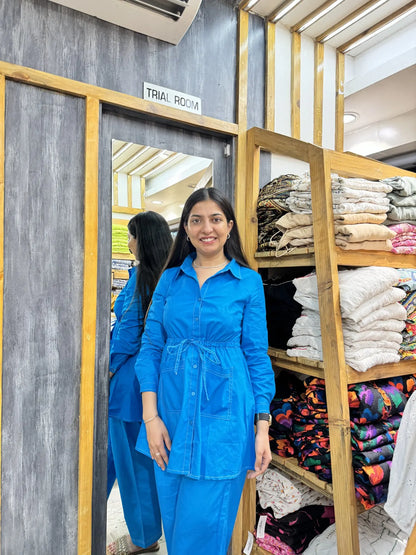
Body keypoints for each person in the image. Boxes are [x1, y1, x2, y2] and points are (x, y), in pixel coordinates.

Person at [135, 188, 276, 555]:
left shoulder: (247, 282)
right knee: (176, 530)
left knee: (203, 535)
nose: (206, 228)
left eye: (215, 219)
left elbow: (257, 357)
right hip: (169, 421)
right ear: (185, 228)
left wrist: (262, 428)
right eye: (196, 220)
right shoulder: (169, 280)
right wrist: (150, 418)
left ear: (229, 226)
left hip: (224, 425)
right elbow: (150, 349)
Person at [107, 211, 173, 555]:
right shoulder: (172, 277)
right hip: (156, 380)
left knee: (134, 467)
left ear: (142, 240)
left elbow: (128, 334)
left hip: (129, 385)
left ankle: (144, 538)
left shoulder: (141, 280)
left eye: (132, 236)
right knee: (136, 461)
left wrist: (109, 370)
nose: (129, 242)